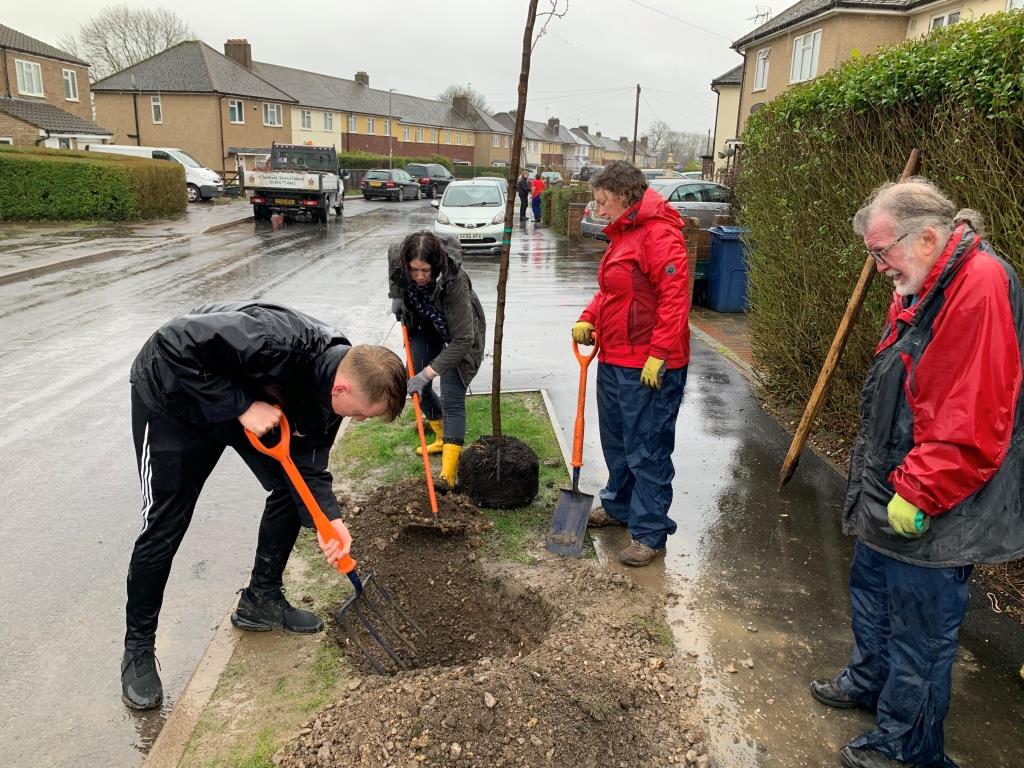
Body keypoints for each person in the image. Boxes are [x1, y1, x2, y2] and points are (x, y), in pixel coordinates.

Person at [810, 179, 1024, 768]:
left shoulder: (978, 286)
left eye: (882, 252)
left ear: (928, 236)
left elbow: (974, 411)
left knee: (920, 628)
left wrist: (922, 488)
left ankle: (909, 748)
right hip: (895, 475)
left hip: (936, 494)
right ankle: (871, 683)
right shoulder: (922, 279)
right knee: (874, 591)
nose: (877, 266)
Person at [120, 302, 407, 710]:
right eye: (361, 415)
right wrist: (241, 405)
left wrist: (332, 521)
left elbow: (306, 467)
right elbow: (172, 343)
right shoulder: (273, 340)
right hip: (174, 397)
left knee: (289, 490)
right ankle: (137, 650)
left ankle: (260, 601)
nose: (358, 421)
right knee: (166, 525)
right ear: (341, 389)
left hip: (240, 409)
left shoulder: (329, 395)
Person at [570, 160, 690, 567]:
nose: (599, 210)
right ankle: (619, 507)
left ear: (624, 195)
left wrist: (660, 353)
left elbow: (675, 298)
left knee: (648, 449)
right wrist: (588, 316)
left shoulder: (659, 234)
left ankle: (650, 533)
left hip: (650, 365)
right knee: (617, 442)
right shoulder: (624, 234)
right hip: (615, 357)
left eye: (603, 202)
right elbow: (612, 291)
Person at [389, 231, 486, 487]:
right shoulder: (399, 258)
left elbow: (464, 339)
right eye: (414, 270)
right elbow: (392, 261)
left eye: (426, 270)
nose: (420, 277)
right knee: (415, 383)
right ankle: (442, 436)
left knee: (452, 395)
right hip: (426, 324)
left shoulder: (455, 282)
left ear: (437, 265)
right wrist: (397, 295)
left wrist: (429, 373)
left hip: (459, 334)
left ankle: (448, 474)